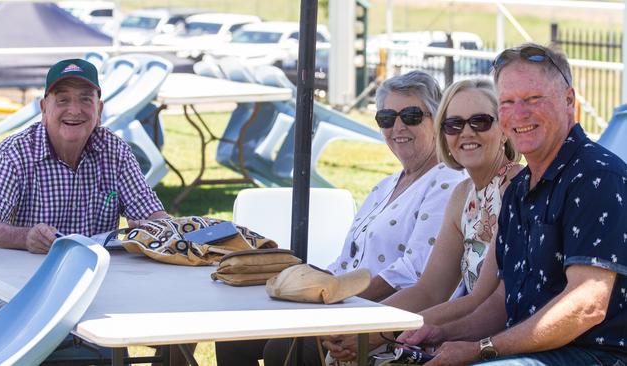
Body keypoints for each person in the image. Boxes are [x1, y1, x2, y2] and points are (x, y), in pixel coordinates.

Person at [215, 71, 468, 365]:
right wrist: (310, 289)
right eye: (386, 118)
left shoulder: (446, 181)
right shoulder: (386, 185)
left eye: (411, 116)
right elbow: (349, 260)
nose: (397, 127)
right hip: (346, 302)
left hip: (389, 315)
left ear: (436, 120)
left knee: (286, 350)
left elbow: (412, 271)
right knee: (234, 336)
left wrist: (337, 303)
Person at [398, 43, 627, 365]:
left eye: (534, 99)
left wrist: (481, 349)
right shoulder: (520, 188)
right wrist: (440, 332)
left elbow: (588, 304)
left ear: (569, 101)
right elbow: (503, 303)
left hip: (592, 356)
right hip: (523, 350)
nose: (520, 114)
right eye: (507, 102)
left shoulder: (596, 176)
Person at [0, 58, 169, 358]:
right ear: (44, 108)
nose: (75, 110)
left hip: (94, 292)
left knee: (169, 314)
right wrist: (25, 237)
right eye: (62, 99)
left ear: (100, 109)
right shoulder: (15, 152)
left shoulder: (115, 151)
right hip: (17, 292)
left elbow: (151, 216)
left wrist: (162, 229)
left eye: (85, 99)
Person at [323, 78, 523, 361]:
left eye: (480, 121)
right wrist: (368, 327)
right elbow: (429, 290)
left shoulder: (516, 189)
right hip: (463, 334)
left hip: (507, 343)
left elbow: (482, 300)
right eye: (454, 124)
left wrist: (378, 332)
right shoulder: (462, 195)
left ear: (504, 130)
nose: (466, 132)